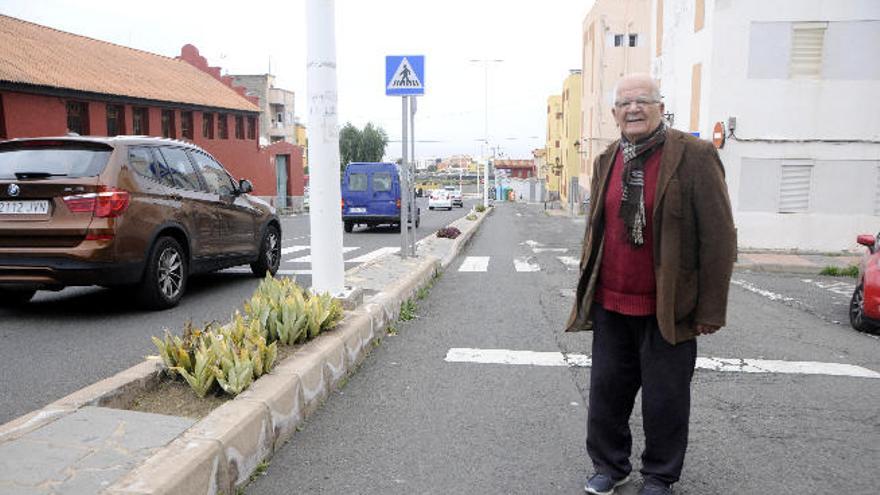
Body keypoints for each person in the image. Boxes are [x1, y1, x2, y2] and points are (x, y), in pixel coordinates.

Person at [565, 73, 736, 495]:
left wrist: (710, 309)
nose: (633, 109)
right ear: (614, 113)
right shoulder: (608, 160)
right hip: (612, 302)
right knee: (607, 395)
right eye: (625, 103)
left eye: (643, 100)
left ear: (661, 107)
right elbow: (598, 230)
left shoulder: (693, 155)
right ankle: (610, 465)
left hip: (669, 306)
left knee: (666, 401)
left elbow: (719, 235)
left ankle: (660, 475)